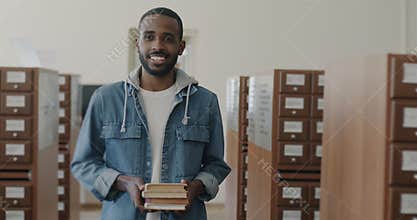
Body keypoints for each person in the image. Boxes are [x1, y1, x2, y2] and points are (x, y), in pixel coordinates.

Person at [71, 7, 231, 220]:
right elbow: (84, 163)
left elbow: (216, 164)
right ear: (138, 43)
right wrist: (123, 182)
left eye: (168, 38)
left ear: (181, 46)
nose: (158, 45)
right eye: (149, 37)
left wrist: (197, 186)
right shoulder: (106, 98)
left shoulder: (205, 102)